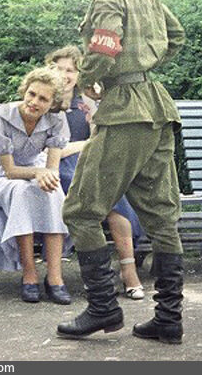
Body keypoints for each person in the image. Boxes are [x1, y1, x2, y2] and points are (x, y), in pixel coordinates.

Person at [56, 0, 186, 344]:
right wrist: (144, 66)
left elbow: (104, 43)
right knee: (163, 216)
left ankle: (102, 308)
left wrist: (92, 80)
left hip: (125, 111)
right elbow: (177, 36)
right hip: (157, 107)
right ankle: (168, 318)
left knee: (80, 211)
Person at [45, 45, 145, 300]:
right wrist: (83, 145)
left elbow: (103, 140)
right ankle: (103, 276)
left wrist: (96, 112)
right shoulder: (43, 100)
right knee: (93, 190)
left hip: (90, 164)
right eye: (58, 69)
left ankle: (127, 271)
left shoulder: (86, 103)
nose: (64, 75)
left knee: (113, 194)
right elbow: (46, 148)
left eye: (70, 70)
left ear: (79, 75)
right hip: (57, 169)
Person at [0, 67, 72, 305]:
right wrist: (39, 172)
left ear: (53, 103)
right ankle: (30, 274)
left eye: (43, 99)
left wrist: (45, 174)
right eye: (31, 94)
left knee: (53, 191)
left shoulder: (57, 120)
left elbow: (52, 167)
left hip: (36, 170)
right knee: (21, 190)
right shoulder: (0, 117)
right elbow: (11, 171)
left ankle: (55, 278)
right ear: (25, 90)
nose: (34, 102)